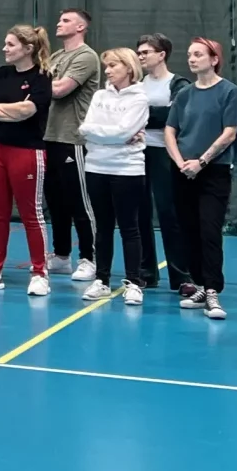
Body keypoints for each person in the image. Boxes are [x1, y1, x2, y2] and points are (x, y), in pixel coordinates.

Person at [166, 38, 237, 318]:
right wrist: (181, 162)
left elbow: (230, 132)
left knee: (209, 230)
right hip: (183, 171)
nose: (192, 59)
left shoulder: (230, 92)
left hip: (213, 171)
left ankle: (213, 290)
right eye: (190, 54)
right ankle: (200, 286)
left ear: (214, 59)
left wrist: (202, 161)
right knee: (188, 229)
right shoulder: (184, 94)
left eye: (199, 54)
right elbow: (170, 131)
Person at [0, 26, 54, 293]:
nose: (5, 48)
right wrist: (11, 111)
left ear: (28, 48)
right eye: (5, 43)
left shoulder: (42, 77)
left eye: (10, 44)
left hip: (27, 152)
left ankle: (39, 273)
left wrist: (0, 109)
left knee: (31, 214)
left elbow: (28, 110)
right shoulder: (2, 74)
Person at [80, 48, 154, 304]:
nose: (108, 71)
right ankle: (101, 280)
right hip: (96, 167)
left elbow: (123, 131)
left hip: (127, 170)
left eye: (113, 66)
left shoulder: (139, 99)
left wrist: (104, 134)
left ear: (129, 68)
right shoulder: (99, 95)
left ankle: (134, 282)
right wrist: (113, 135)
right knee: (103, 227)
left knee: (129, 227)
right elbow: (85, 128)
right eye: (107, 66)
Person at [41, 7, 101, 282]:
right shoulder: (55, 57)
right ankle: (62, 255)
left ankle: (89, 257)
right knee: (55, 201)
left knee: (80, 202)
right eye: (59, 19)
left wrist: (36, 86)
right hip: (49, 137)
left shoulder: (85, 56)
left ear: (80, 27)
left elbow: (59, 89)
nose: (59, 23)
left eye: (65, 20)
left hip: (72, 139)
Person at [133, 35, 188, 293]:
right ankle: (146, 272)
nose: (141, 56)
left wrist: (143, 115)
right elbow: (131, 115)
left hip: (165, 153)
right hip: (138, 153)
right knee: (140, 212)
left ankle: (181, 274)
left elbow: (175, 117)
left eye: (146, 52)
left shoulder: (178, 84)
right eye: (139, 52)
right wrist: (153, 115)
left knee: (169, 212)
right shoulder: (137, 85)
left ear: (162, 54)